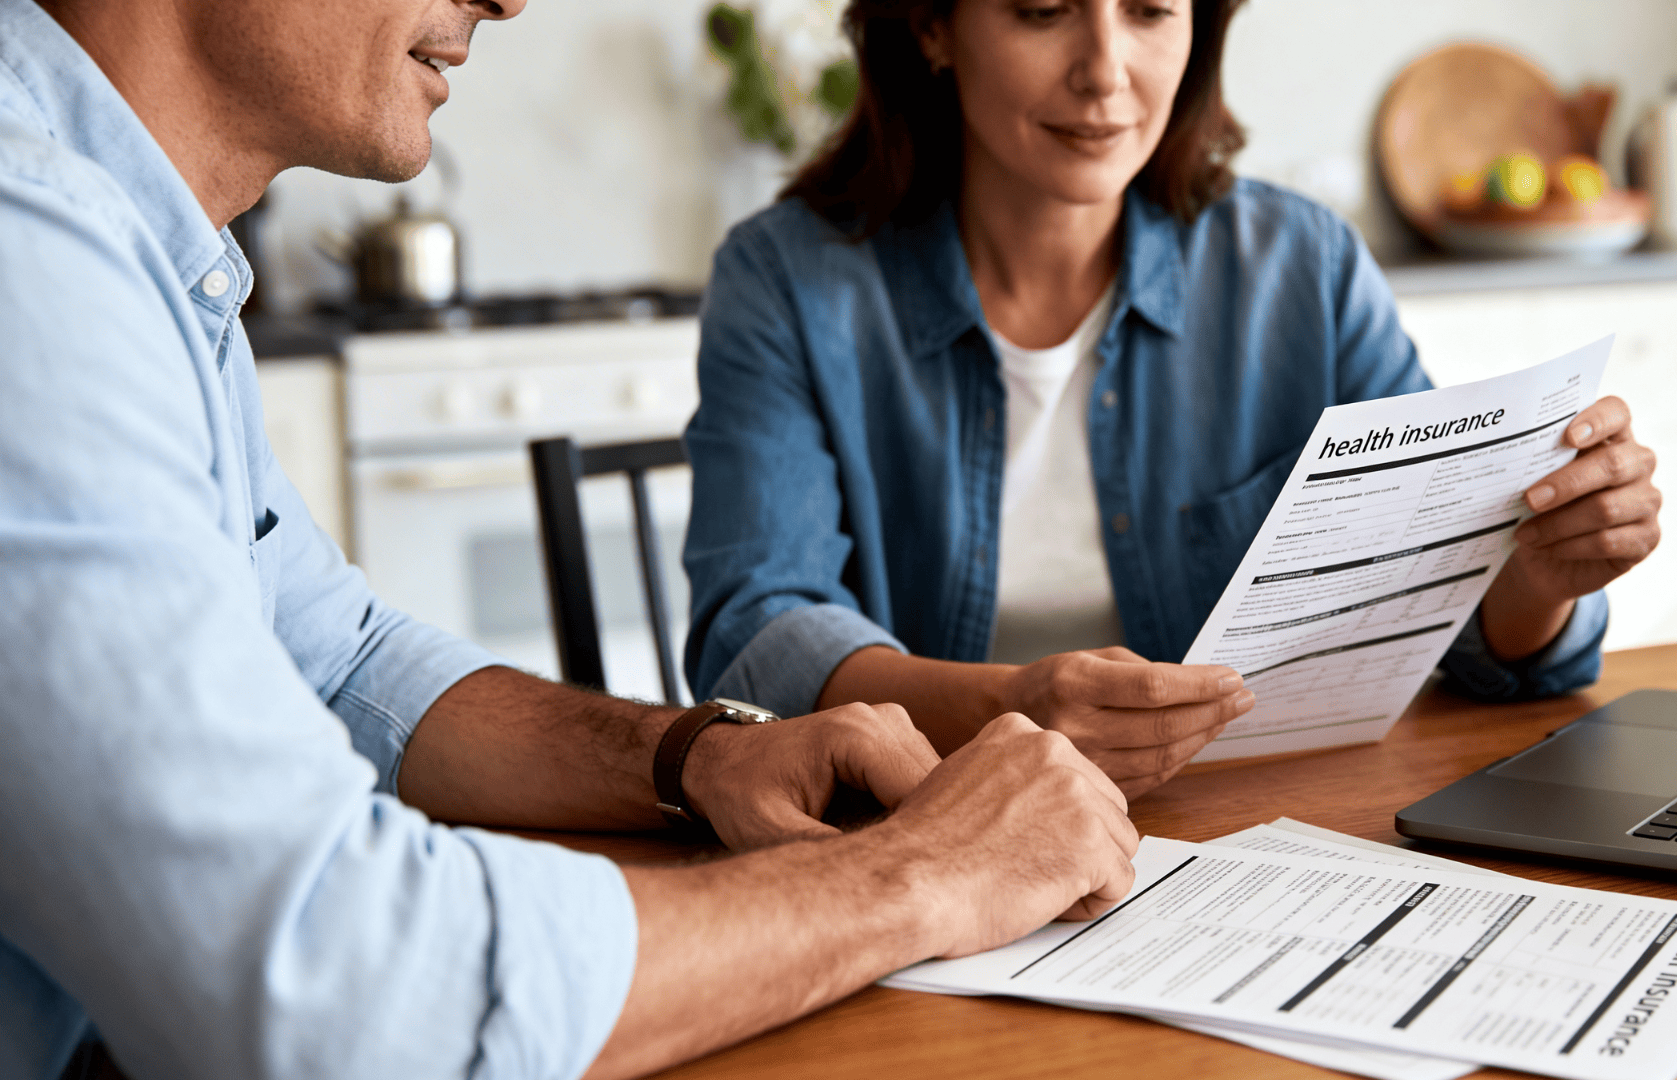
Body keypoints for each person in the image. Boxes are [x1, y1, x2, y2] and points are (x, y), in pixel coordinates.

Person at [0, 1, 1142, 1077]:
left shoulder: (139, 247)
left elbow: (341, 660)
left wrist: (697, 756)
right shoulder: (27, 248)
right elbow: (342, 993)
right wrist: (921, 874)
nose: (507, 1)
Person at [683, 0, 1664, 800]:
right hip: (925, 848)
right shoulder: (785, 282)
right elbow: (756, 633)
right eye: (1042, 10)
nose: (1106, 69)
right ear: (933, 27)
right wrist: (1005, 707)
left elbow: (1451, 609)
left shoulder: (1302, 268)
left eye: (1152, 8)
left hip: (1247, 838)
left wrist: (1542, 570)